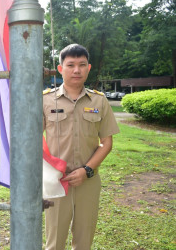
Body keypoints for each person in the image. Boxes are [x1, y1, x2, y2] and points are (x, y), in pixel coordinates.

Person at [43, 44, 120, 250]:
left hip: (89, 181)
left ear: (88, 68)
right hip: (57, 182)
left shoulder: (100, 101)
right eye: (70, 65)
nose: (76, 70)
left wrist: (87, 170)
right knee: (54, 241)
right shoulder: (45, 100)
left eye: (81, 65)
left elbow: (106, 142)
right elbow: (32, 141)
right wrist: (48, 171)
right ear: (61, 69)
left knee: (84, 241)